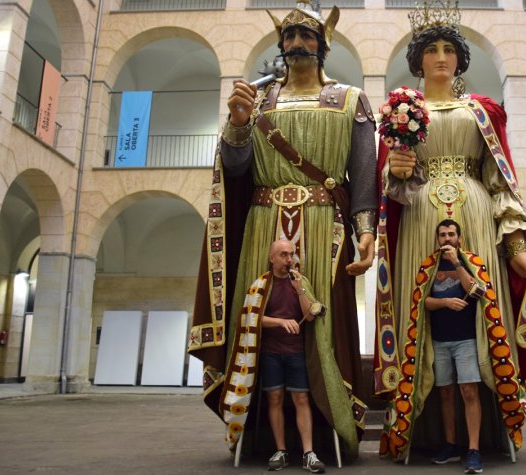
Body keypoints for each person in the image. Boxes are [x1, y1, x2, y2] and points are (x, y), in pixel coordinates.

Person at [188, 2, 377, 463]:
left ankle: (325, 426)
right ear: (281, 43)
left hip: (324, 224)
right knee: (258, 317)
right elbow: (237, 170)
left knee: (321, 323)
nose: (296, 43)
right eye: (289, 35)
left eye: (307, 36)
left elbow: (363, 174)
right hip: (262, 224)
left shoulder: (351, 99)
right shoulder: (258, 100)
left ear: (324, 44)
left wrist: (367, 231)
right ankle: (258, 433)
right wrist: (236, 125)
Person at [374, 0, 526, 466]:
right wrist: (397, 170)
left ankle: (487, 428)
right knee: (422, 309)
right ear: (419, 59)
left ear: (460, 58)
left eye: (450, 48)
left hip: (474, 211)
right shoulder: (400, 111)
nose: (441, 56)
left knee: (478, 310)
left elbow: (502, 179)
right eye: (432, 49)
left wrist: (516, 246)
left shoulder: (483, 110)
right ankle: (424, 429)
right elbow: (388, 186)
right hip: (418, 219)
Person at [260, 240, 326, 473]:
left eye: (292, 254)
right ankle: (281, 451)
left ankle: (309, 453)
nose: (289, 259)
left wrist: (300, 290)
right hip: (271, 352)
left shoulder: (300, 281)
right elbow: (252, 317)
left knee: (300, 399)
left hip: (296, 351)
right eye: (284, 255)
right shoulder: (262, 284)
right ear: (272, 258)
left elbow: (309, 316)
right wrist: (280, 321)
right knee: (275, 399)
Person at [427, 220, 487, 473]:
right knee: (445, 393)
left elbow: (476, 291)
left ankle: (473, 449)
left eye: (451, 234)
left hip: (466, 340)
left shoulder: (471, 262)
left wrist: (457, 264)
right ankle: (450, 444)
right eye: (443, 235)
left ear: (459, 239)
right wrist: (446, 303)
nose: (447, 239)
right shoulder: (428, 266)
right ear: (438, 239)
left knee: (469, 392)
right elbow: (423, 301)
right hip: (439, 341)